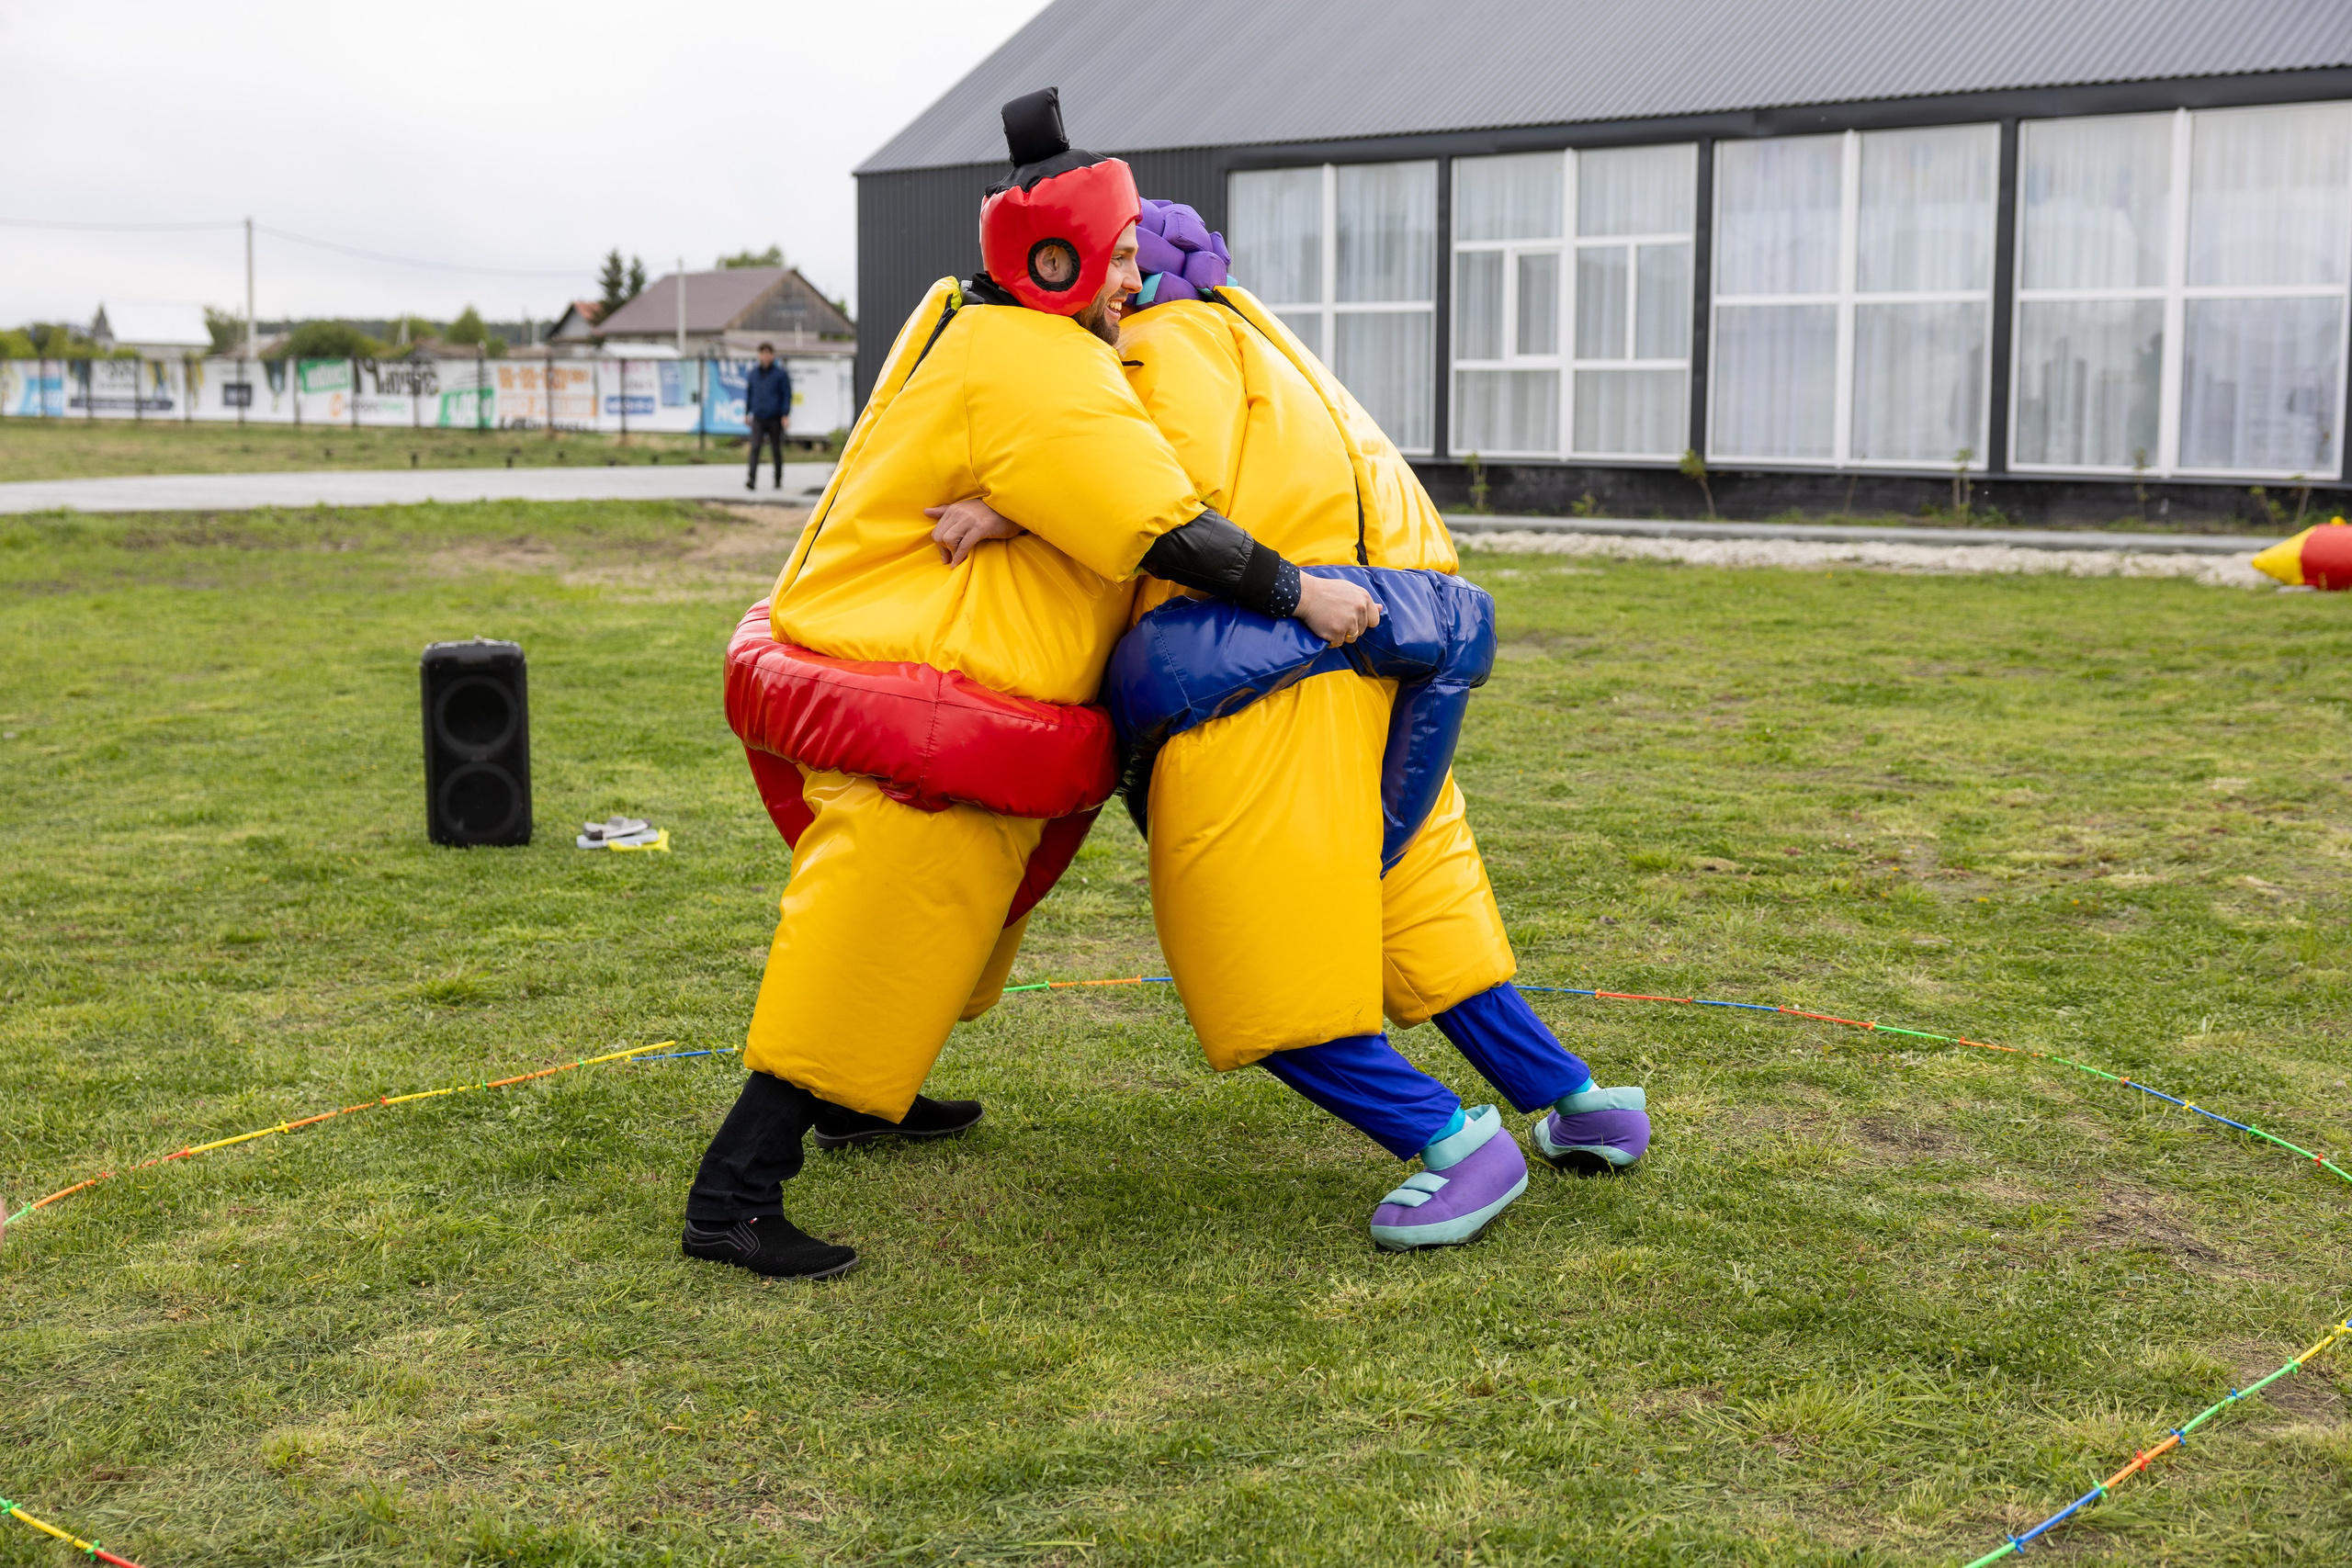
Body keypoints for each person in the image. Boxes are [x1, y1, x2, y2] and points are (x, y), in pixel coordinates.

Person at [684, 92, 1379, 1281]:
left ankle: (868, 1096)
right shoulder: (1042, 366)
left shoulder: (1002, 340)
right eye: (1116, 262)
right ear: (1054, 263)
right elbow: (1160, 519)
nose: (1130, 284)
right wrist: (1301, 593)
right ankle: (734, 1194)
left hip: (928, 688)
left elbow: (1082, 474)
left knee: (944, 925)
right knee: (881, 927)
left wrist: (1009, 506)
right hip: (916, 704)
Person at [971, 200, 1651, 1250]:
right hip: (1404, 657)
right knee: (1403, 895)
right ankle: (1577, 1102)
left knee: (1254, 942)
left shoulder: (1158, 348)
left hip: (1270, 676)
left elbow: (1150, 492)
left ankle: (1451, 1143)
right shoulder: (1268, 341)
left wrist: (1009, 507)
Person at [743, 342, 792, 491]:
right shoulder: (753, 373)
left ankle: (777, 479)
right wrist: (747, 412)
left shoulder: (780, 374)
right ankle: (751, 480)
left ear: (773, 355)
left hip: (775, 417)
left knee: (776, 449)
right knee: (755, 447)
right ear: (759, 355)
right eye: (762, 353)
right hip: (758, 416)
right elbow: (750, 394)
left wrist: (785, 414)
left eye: (768, 353)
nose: (765, 356)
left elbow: (786, 395)